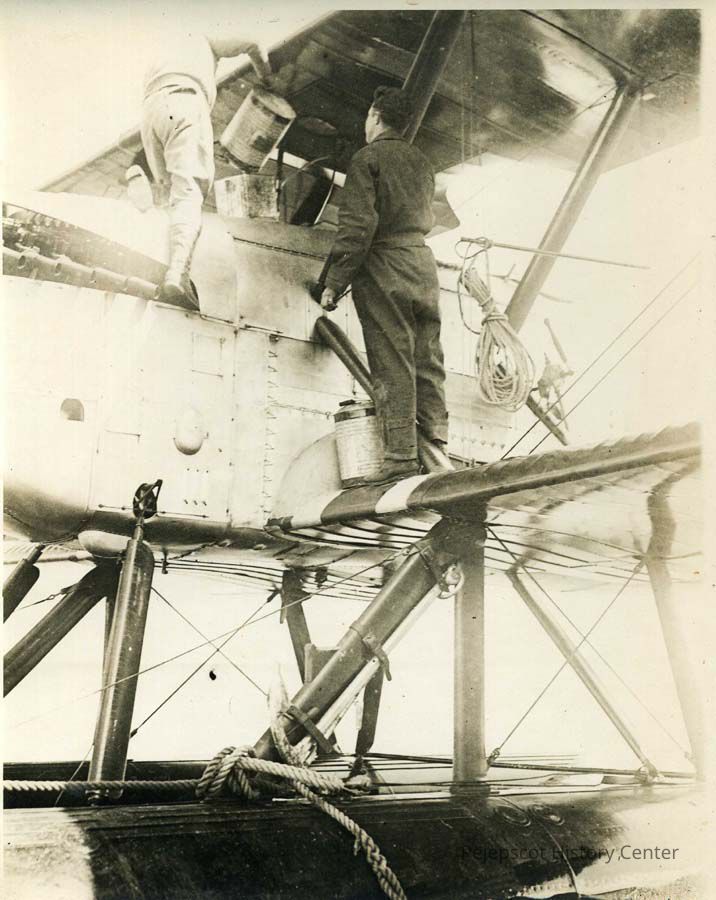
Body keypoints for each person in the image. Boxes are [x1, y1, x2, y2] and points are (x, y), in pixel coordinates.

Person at [320, 86, 449, 484]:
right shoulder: (423, 162)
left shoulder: (368, 158)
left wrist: (333, 282)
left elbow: (357, 227)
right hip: (422, 263)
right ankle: (437, 443)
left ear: (375, 117)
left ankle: (400, 458)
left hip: (385, 264)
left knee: (392, 359)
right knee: (428, 356)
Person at [139, 31, 271, 303]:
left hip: (150, 111)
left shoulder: (163, 38)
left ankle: (158, 268)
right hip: (184, 100)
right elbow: (252, 42)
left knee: (167, 193)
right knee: (189, 194)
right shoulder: (203, 31)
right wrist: (268, 78)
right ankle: (177, 273)